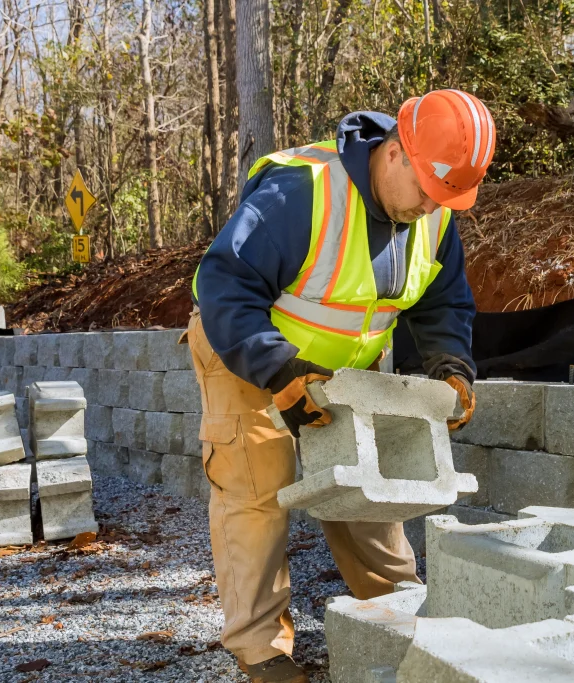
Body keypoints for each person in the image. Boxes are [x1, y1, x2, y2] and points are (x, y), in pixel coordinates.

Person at [185, 89, 496, 683]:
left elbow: (443, 301)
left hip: (348, 367)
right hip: (248, 350)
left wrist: (449, 364)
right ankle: (260, 652)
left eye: (445, 198)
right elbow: (224, 286)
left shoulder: (434, 213)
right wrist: (278, 371)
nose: (433, 208)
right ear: (397, 152)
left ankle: (396, 614)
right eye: (429, 192)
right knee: (257, 487)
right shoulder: (302, 194)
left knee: (370, 492)